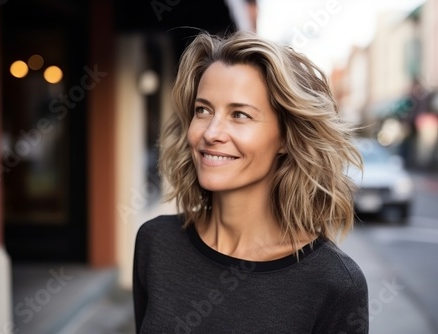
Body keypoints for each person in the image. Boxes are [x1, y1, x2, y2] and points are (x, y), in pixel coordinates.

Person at [133, 31, 369, 334]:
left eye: (239, 114)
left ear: (285, 137)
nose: (211, 133)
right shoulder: (156, 243)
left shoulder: (334, 283)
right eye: (203, 110)